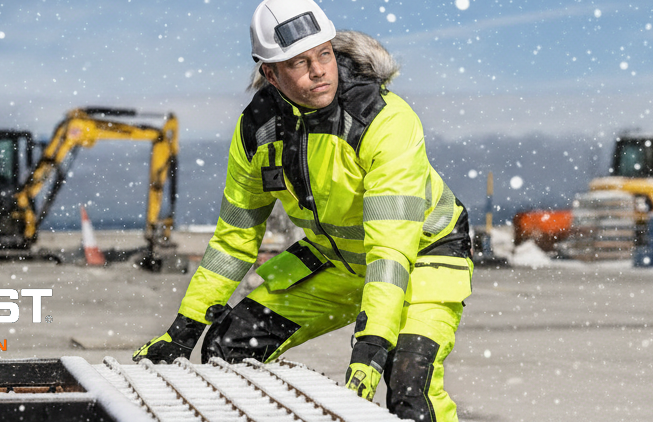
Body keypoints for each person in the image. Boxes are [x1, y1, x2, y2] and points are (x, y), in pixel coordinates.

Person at [133, 0, 473, 420]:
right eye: (299, 62)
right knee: (229, 345)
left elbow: (390, 249)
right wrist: (184, 331)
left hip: (423, 257)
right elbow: (234, 240)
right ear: (270, 74)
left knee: (409, 388)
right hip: (338, 262)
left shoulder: (384, 121)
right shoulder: (256, 132)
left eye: (324, 54)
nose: (319, 71)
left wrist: (371, 345)